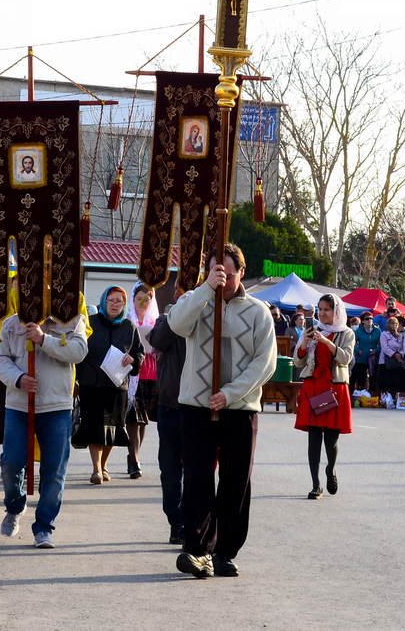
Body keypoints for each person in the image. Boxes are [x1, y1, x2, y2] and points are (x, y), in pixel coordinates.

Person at [170, 243, 275, 579]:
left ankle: (225, 551)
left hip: (239, 408)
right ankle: (197, 550)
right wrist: (205, 288)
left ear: (241, 273)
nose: (225, 281)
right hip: (196, 405)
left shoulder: (258, 312)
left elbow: (265, 362)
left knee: (235, 481)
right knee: (198, 477)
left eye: (230, 275)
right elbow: (176, 324)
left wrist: (230, 394)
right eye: (218, 274)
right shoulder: (197, 301)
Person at [0, 297, 88, 549]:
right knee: (10, 462)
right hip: (18, 405)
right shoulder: (11, 323)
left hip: (56, 406)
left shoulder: (71, 320)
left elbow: (78, 352)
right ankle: (14, 506)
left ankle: (44, 526)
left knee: (54, 470)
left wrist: (44, 339)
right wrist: (19, 378)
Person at [72, 286, 144, 483]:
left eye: (119, 301)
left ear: (124, 305)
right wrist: (75, 380)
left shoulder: (129, 327)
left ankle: (103, 465)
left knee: (112, 428)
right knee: (94, 426)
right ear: (104, 302)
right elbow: (78, 350)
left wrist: (133, 359)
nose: (114, 304)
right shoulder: (90, 323)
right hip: (91, 384)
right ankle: (96, 469)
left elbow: (139, 352)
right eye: (111, 300)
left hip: (117, 385)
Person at [293, 294, 354, 500]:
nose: (322, 313)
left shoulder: (346, 333)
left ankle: (330, 469)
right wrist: (305, 342)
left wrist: (326, 342)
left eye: (327, 309)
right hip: (313, 386)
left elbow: (345, 358)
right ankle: (316, 484)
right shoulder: (311, 330)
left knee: (331, 439)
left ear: (336, 311)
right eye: (320, 309)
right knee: (313, 438)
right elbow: (298, 361)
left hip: (334, 387)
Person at [148, 292, 187, 545]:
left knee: (197, 469)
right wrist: (176, 312)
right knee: (170, 471)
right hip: (170, 405)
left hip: (200, 405)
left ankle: (191, 522)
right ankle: (175, 520)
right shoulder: (168, 317)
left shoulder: (208, 314)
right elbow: (157, 340)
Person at [126, 282, 159, 479]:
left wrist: (155, 347)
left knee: (143, 419)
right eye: (139, 299)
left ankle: (134, 456)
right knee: (133, 418)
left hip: (152, 373)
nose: (142, 303)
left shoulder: (157, 320)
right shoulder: (127, 320)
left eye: (147, 299)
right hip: (133, 373)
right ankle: (134, 458)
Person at [352, 311, 380, 393]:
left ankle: (373, 395)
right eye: (367, 319)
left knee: (374, 378)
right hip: (362, 359)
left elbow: (383, 343)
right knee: (361, 378)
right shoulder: (358, 331)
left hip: (374, 359)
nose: (369, 320)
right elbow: (351, 343)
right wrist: (358, 351)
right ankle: (360, 395)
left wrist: (377, 350)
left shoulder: (377, 330)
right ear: (363, 321)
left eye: (371, 318)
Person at [378, 316, 405, 397]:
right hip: (385, 362)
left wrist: (400, 355)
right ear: (388, 324)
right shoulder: (384, 334)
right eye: (392, 323)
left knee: (395, 382)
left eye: (396, 324)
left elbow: (402, 348)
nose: (394, 325)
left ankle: (394, 398)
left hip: (396, 362)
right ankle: (384, 399)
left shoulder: (400, 336)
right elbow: (384, 347)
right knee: (385, 382)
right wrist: (394, 355)